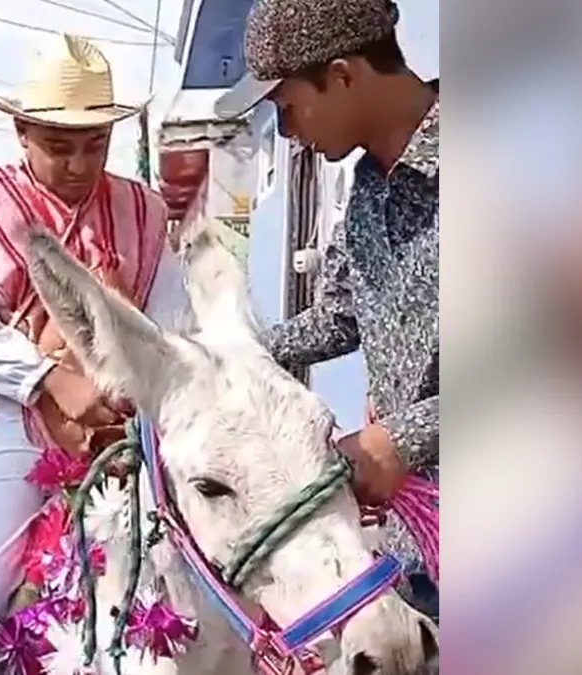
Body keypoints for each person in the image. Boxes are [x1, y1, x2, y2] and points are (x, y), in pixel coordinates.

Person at [0, 34, 189, 675]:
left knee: (168, 578)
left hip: (132, 421)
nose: (78, 164)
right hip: (17, 414)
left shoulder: (143, 210)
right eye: (59, 146)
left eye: (95, 145)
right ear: (21, 131)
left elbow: (174, 319)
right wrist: (48, 380)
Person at [216, 0, 439, 616]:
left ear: (342, 75)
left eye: (287, 109)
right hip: (418, 538)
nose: (288, 134)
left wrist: (402, 439)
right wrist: (228, 359)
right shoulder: (370, 187)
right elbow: (341, 315)